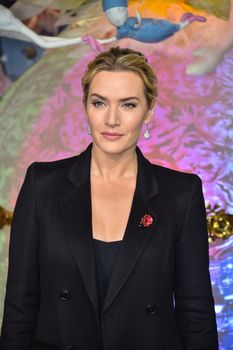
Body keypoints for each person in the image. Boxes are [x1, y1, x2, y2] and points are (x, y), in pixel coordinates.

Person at [0, 46, 218, 350]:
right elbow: (19, 308)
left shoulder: (181, 193)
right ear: (86, 106)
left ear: (149, 110)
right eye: (100, 103)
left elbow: (196, 313)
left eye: (128, 105)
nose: (111, 119)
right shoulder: (42, 184)